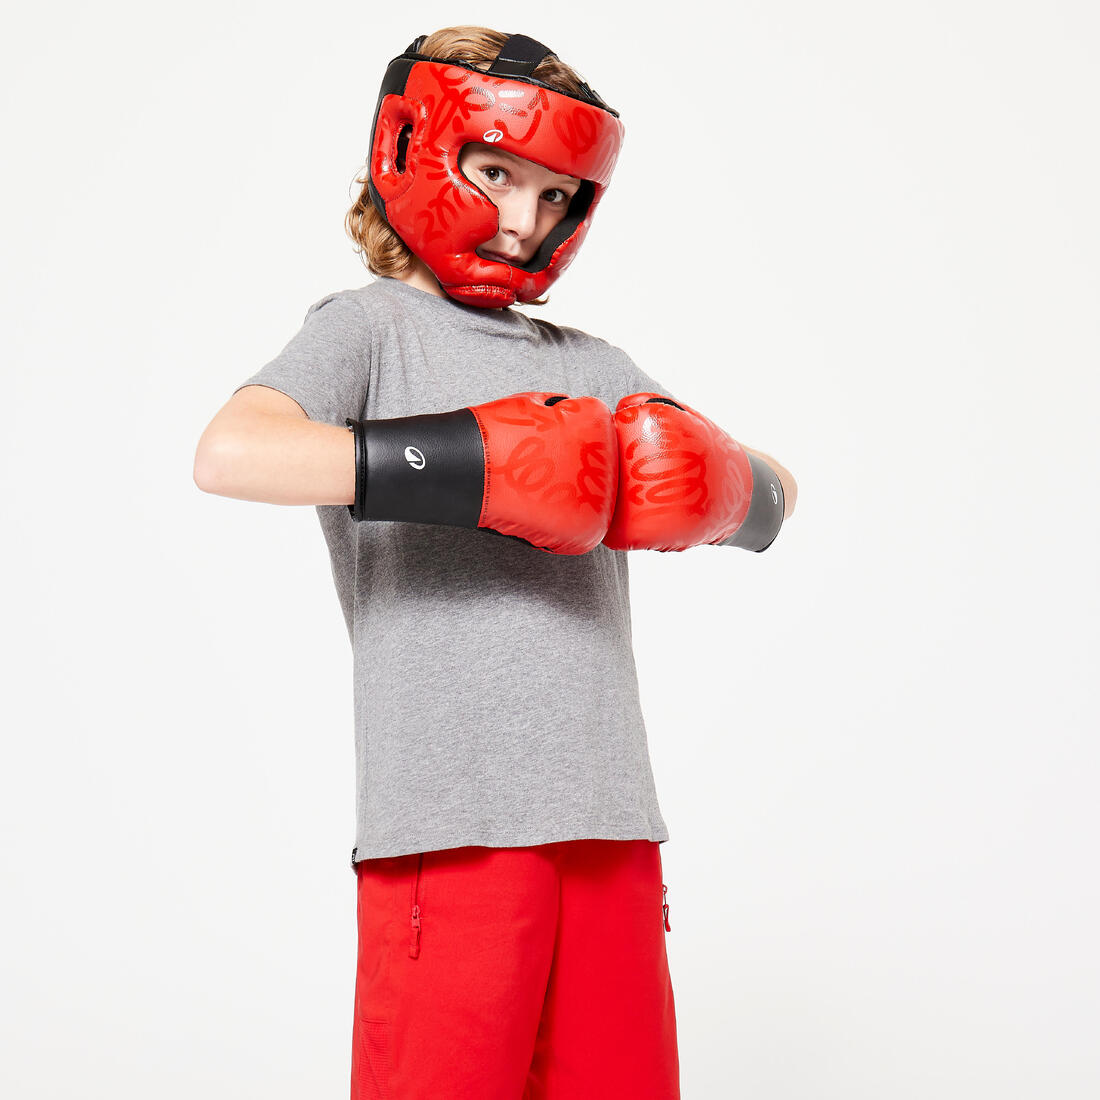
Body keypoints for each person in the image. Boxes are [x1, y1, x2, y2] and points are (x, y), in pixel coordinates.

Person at [193, 25, 796, 1100]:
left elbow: (776, 496)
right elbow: (231, 452)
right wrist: (479, 465)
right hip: (450, 826)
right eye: (496, 172)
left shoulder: (594, 367)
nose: (524, 219)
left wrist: (714, 481)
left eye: (557, 194)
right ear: (415, 148)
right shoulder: (366, 332)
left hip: (610, 826)